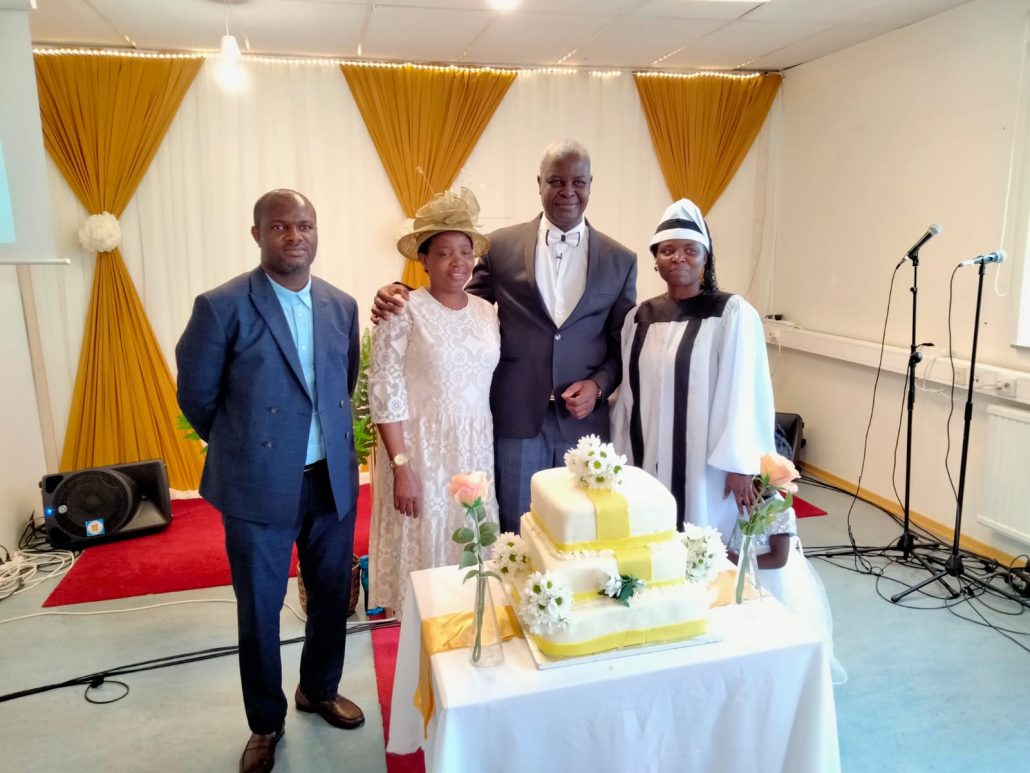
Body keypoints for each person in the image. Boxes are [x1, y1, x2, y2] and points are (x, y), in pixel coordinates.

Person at [176, 189, 364, 773]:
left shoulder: (341, 304)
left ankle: (319, 689)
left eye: (304, 225)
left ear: (317, 231)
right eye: (280, 226)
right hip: (257, 483)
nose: (294, 236)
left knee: (331, 595)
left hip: (329, 480)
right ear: (257, 234)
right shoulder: (222, 306)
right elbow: (197, 396)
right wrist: (247, 445)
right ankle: (265, 722)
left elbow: (344, 382)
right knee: (259, 608)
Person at [374, 140, 637, 533]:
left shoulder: (621, 259)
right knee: (514, 529)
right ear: (539, 183)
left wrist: (598, 386)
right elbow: (458, 306)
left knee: (581, 529)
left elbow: (621, 343)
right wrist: (404, 295)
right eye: (556, 181)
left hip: (583, 423)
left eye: (578, 182)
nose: (568, 191)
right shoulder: (501, 247)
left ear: (590, 184)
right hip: (516, 417)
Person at [367, 189, 500, 617]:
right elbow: (383, 389)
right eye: (443, 252)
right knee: (425, 565)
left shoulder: (488, 312)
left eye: (465, 251)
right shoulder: (402, 309)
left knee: (470, 566)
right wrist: (401, 468)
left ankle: (466, 637)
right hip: (421, 454)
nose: (457, 261)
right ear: (423, 260)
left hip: (474, 452)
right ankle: (420, 642)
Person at [611, 198, 775, 541]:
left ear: (705, 258)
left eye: (690, 250)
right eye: (667, 250)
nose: (678, 258)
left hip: (706, 465)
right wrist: (620, 452)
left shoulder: (731, 314)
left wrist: (740, 464)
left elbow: (744, 390)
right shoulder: (638, 318)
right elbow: (628, 393)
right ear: (655, 260)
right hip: (647, 454)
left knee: (701, 541)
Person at [727, 498, 848, 684]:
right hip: (743, 575)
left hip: (769, 579)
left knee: (773, 627)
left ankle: (777, 675)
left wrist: (740, 562)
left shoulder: (780, 508)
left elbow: (779, 559)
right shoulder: (741, 501)